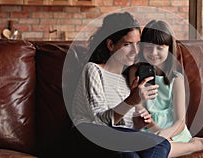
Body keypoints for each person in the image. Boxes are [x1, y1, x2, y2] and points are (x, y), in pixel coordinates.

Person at [70, 12, 171, 158]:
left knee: (132, 155)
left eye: (138, 44)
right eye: (128, 44)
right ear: (111, 45)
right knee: (160, 144)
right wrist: (131, 101)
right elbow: (99, 121)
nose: (135, 51)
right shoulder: (93, 70)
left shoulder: (125, 80)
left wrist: (137, 124)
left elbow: (121, 125)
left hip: (112, 139)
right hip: (87, 134)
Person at [126, 20, 203, 157]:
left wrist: (165, 134)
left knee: (158, 149)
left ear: (169, 48)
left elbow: (180, 121)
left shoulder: (176, 78)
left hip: (172, 130)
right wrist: (156, 130)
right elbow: (137, 105)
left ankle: (198, 144)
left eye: (160, 48)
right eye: (149, 47)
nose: (153, 53)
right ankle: (191, 145)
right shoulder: (134, 71)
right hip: (146, 127)